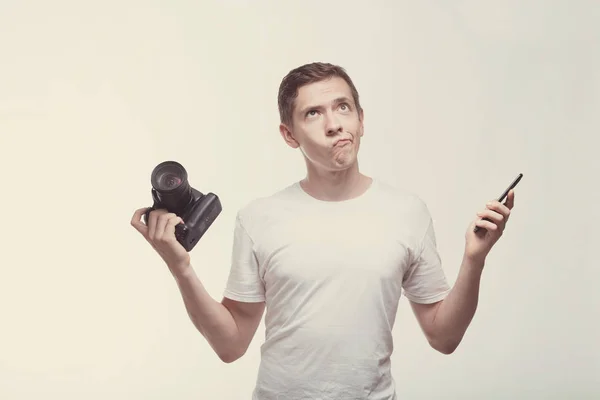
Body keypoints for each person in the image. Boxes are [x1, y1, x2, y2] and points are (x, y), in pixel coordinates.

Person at [131, 62, 516, 399]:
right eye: (313, 113)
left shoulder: (407, 212)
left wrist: (474, 260)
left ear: (361, 119)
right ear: (289, 134)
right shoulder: (259, 218)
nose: (334, 125)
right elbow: (230, 344)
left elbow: (443, 336)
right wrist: (179, 268)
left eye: (342, 108)